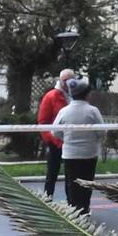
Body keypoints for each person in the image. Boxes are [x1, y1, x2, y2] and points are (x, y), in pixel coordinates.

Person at [54, 77, 104, 214]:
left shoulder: (64, 111)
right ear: (87, 94)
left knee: (71, 183)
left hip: (70, 153)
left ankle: (72, 210)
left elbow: (55, 131)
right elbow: (102, 131)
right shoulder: (93, 111)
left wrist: (66, 139)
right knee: (87, 183)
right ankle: (84, 209)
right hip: (89, 153)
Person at [37, 69, 76, 198]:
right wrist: (53, 140)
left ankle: (72, 204)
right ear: (60, 80)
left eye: (71, 80)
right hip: (56, 142)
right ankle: (48, 199)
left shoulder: (76, 95)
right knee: (52, 173)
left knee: (71, 176)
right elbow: (43, 122)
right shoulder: (51, 96)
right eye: (65, 80)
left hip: (72, 142)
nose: (68, 83)